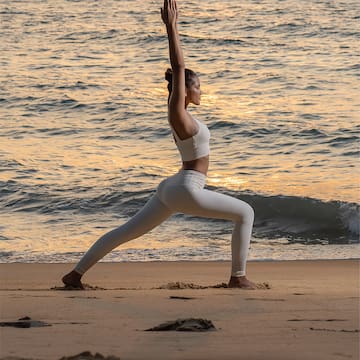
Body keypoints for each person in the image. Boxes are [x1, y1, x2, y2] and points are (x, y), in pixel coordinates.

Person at [62, 0, 256, 290]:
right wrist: (171, 27)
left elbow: (180, 74)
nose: (201, 90)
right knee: (246, 213)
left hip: (174, 187)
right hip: (187, 188)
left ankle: (74, 275)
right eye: (198, 85)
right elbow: (178, 67)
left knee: (125, 232)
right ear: (185, 89)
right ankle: (237, 277)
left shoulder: (186, 116)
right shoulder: (178, 113)